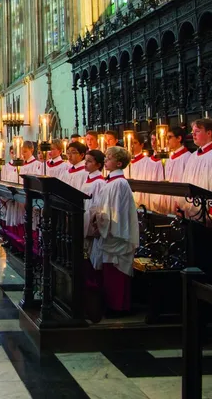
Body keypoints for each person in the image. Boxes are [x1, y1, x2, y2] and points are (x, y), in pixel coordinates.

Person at [87, 146, 138, 315]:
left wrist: (98, 220)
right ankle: (111, 304)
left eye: (109, 158)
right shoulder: (111, 182)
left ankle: (118, 307)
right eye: (106, 157)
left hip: (115, 234)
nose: (106, 161)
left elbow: (115, 213)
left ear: (119, 162)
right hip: (108, 232)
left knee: (115, 272)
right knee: (108, 272)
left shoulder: (118, 184)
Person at [178, 118, 212, 220]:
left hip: (208, 212)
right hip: (190, 210)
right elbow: (185, 181)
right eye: (193, 132)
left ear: (209, 133)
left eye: (197, 131)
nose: (193, 135)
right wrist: (181, 206)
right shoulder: (193, 156)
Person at [3, 141, 43, 235]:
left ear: (32, 150)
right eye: (21, 152)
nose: (22, 154)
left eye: (25, 151)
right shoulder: (20, 165)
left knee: (28, 222)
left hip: (28, 198)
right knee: (16, 219)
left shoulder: (36, 164)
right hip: (17, 197)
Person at [157, 126, 190, 215]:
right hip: (168, 199)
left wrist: (181, 204)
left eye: (170, 137)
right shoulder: (170, 157)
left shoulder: (187, 157)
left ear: (179, 138)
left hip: (180, 201)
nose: (166, 141)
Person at [128, 132, 163, 212]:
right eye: (152, 140)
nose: (132, 145)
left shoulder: (147, 162)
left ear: (142, 145)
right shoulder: (126, 163)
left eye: (135, 143)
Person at [81, 150, 106, 240]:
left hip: (91, 222)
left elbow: (97, 206)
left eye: (89, 161)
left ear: (99, 165)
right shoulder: (88, 178)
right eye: (85, 160)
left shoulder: (99, 182)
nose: (85, 163)